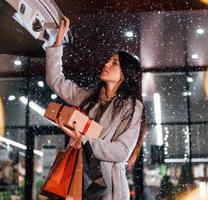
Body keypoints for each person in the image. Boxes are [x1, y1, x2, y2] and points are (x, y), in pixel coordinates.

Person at [46, 16, 147, 200]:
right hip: (79, 181)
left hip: (109, 190)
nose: (106, 64)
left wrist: (83, 140)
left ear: (126, 74)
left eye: (115, 62)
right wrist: (58, 42)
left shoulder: (132, 106)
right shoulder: (89, 98)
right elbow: (56, 81)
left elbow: (121, 151)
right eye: (109, 61)